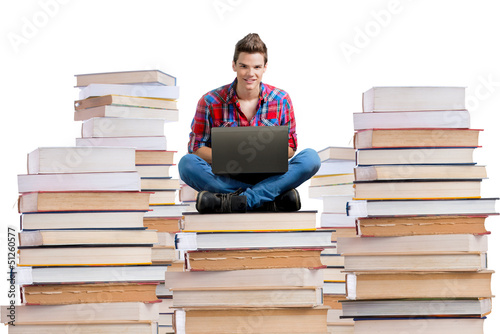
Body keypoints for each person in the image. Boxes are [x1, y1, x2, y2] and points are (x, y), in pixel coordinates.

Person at [178, 33, 321, 214]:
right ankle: (268, 199)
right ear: (234, 65)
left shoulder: (281, 99)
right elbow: (196, 148)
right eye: (244, 66)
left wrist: (263, 157)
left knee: (311, 158)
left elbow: (291, 147)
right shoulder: (209, 101)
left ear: (264, 68)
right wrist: (235, 159)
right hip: (227, 175)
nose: (250, 73)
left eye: (256, 67)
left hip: (270, 175)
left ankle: (239, 200)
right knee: (186, 164)